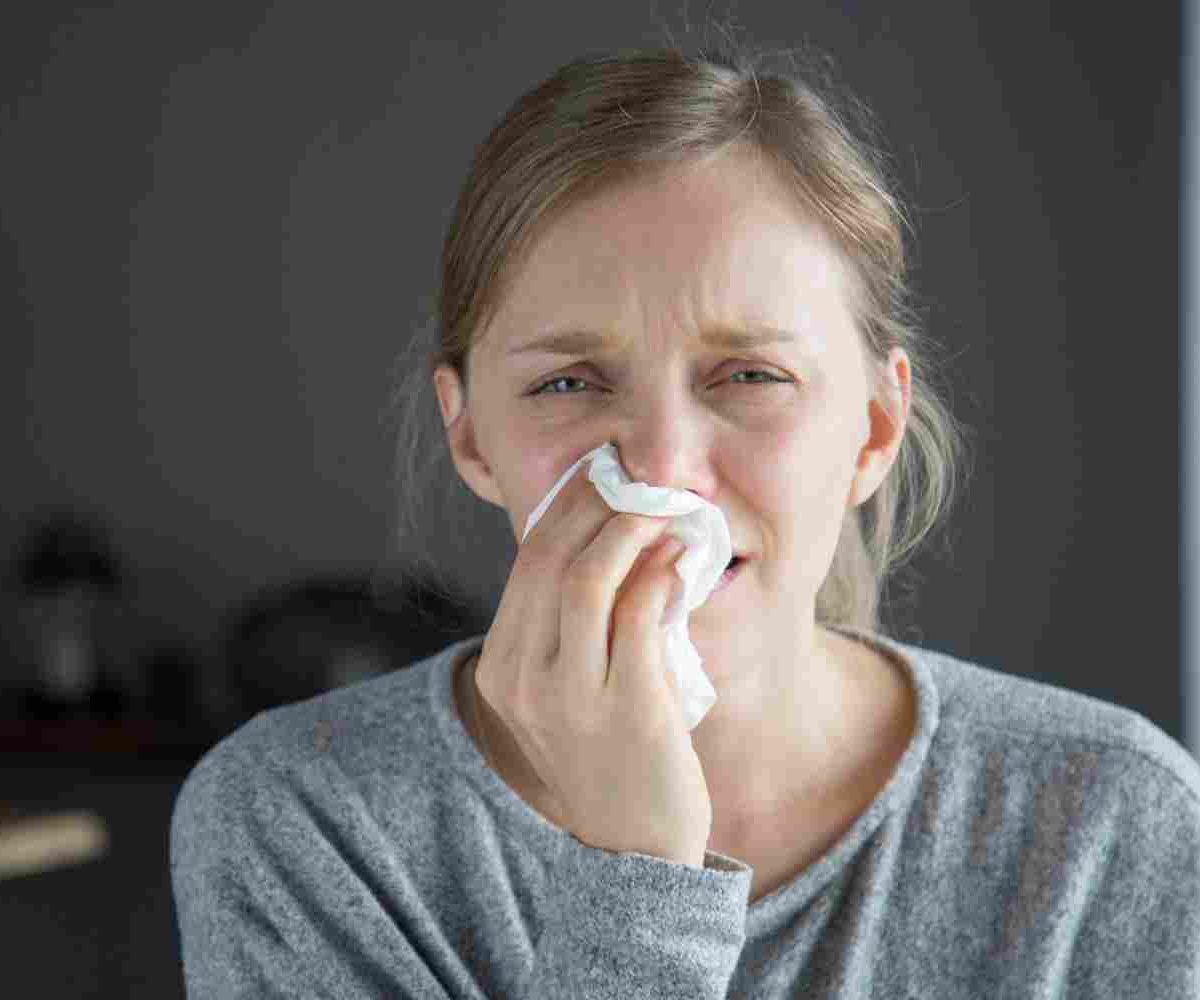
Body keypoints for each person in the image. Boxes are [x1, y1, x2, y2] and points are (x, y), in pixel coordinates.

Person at [170, 34, 1200, 999]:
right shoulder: (297, 819)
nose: (663, 467)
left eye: (751, 374)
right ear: (472, 435)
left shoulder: (1118, 823)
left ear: (875, 428)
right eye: (570, 382)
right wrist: (639, 873)